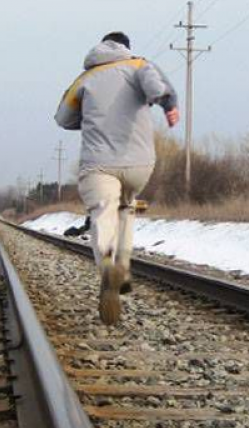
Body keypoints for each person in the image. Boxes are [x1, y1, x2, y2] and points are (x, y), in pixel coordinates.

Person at [55, 31, 179, 325]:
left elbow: (63, 118)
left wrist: (89, 116)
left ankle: (108, 266)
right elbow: (157, 88)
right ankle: (122, 265)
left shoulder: (85, 78)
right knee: (126, 208)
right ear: (126, 47)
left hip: (98, 164)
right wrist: (167, 105)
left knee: (103, 212)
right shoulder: (139, 65)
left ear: (99, 47)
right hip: (139, 163)